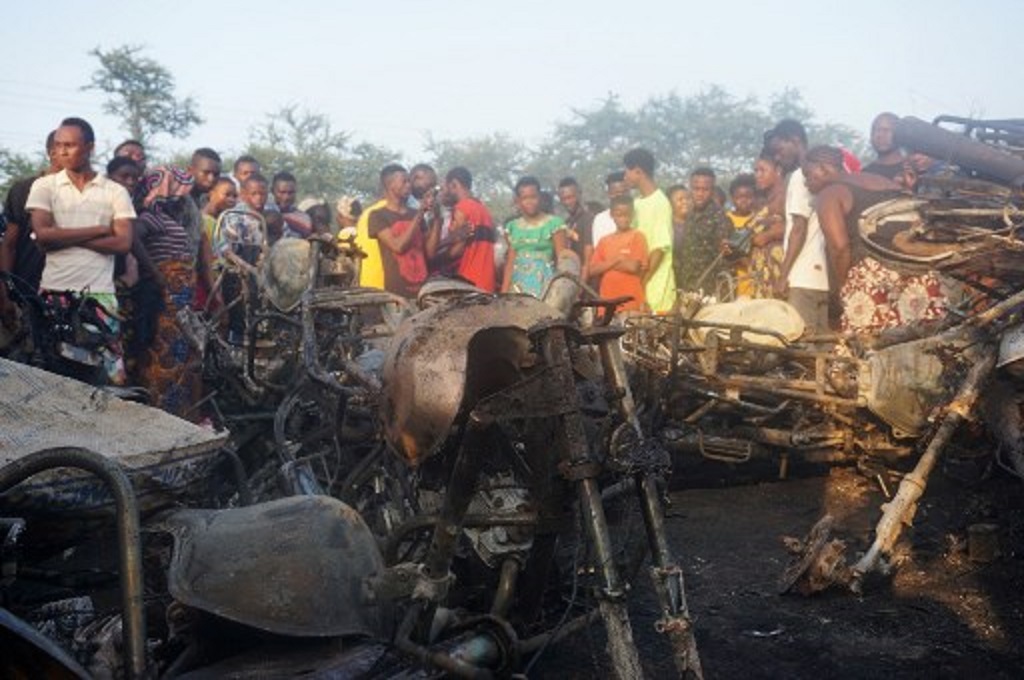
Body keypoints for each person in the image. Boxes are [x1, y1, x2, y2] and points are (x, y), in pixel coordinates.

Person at [26, 117, 135, 384]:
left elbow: (123, 243)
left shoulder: (114, 191)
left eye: (70, 145)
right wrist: (99, 230)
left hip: (100, 297)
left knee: (107, 380)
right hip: (54, 293)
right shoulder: (45, 186)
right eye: (59, 145)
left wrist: (60, 236)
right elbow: (42, 234)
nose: (62, 151)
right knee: (51, 378)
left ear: (89, 147)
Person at [802, 145, 948, 334]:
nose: (806, 183)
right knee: (920, 345)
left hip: (873, 282)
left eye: (807, 175)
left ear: (823, 168)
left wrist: (843, 287)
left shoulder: (830, 195)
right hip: (919, 274)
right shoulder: (888, 183)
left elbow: (839, 248)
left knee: (865, 353)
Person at [130, 166, 209, 419]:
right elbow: (132, 239)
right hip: (164, 299)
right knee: (163, 355)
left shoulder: (168, 219)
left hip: (179, 300)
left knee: (181, 355)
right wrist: (155, 272)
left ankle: (179, 413)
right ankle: (162, 412)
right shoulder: (150, 217)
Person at [767, 119, 830, 334]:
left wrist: (783, 276)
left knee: (801, 349)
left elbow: (798, 228)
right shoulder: (824, 176)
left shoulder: (799, 177)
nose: (777, 158)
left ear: (794, 141)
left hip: (802, 276)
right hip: (823, 277)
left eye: (779, 150)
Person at [1, 131, 58, 327]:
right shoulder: (23, 190)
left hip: (71, 299)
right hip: (25, 292)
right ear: (52, 152)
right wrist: (5, 294)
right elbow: (9, 245)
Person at [368, 164, 439, 298]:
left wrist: (437, 218)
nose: (409, 185)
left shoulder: (415, 214)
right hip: (397, 294)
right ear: (390, 185)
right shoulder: (377, 215)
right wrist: (420, 214)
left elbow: (429, 253)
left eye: (409, 181)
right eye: (404, 181)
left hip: (422, 290)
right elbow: (398, 246)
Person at [623, 148, 674, 312]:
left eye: (627, 171)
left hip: (657, 285)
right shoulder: (636, 204)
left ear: (638, 171)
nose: (625, 176)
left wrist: (642, 282)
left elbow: (659, 249)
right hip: (638, 282)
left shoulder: (660, 203)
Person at [501, 176, 567, 297]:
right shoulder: (512, 227)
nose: (530, 202)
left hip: (545, 285)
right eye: (525, 198)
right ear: (517, 201)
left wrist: (561, 293)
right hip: (517, 288)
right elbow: (510, 262)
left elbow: (562, 259)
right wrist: (503, 294)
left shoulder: (554, 224)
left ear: (540, 197)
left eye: (533, 197)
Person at [439, 166, 497, 291]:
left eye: (447, 187)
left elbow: (456, 251)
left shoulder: (462, 208)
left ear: (454, 184)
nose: (446, 192)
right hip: (487, 281)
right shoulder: (483, 210)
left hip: (468, 280)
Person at [675, 167, 731, 295]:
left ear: (712, 191)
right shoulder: (688, 213)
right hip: (687, 286)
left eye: (705, 189)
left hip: (709, 290)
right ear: (690, 188)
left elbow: (723, 256)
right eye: (696, 189)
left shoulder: (719, 217)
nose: (700, 193)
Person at [588, 195, 648, 313]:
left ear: (632, 215)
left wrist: (605, 265)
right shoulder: (604, 241)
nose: (624, 219)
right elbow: (593, 270)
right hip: (607, 302)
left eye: (627, 215)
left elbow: (633, 267)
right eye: (619, 215)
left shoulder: (637, 236)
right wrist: (617, 260)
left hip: (630, 302)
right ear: (612, 215)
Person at [746, 151, 786, 298]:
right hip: (760, 272)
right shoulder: (762, 200)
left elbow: (798, 227)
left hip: (778, 271)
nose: (758, 175)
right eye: (756, 171)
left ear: (778, 171)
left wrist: (770, 235)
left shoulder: (787, 196)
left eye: (763, 170)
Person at [588, 171, 628, 283]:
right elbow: (600, 255)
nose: (620, 196)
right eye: (616, 193)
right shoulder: (600, 220)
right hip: (608, 280)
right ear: (609, 194)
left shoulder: (636, 215)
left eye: (624, 192)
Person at [726, 173, 757, 297]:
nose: (744, 200)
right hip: (732, 283)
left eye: (748, 196)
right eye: (739, 197)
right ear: (732, 198)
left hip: (754, 282)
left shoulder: (758, 219)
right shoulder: (725, 219)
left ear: (754, 197)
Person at [557, 177, 594, 266]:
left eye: (570, 197)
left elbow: (589, 252)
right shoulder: (566, 222)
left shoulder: (588, 219)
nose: (567, 202)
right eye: (563, 199)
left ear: (579, 194)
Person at [861, 112, 904, 181]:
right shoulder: (865, 174)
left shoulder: (911, 171)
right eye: (876, 130)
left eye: (886, 130)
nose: (880, 135)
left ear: (899, 134)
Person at [270, 171, 313, 239]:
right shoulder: (264, 215)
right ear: (272, 191)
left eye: (290, 193)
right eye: (282, 192)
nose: (286, 197)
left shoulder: (304, 218)